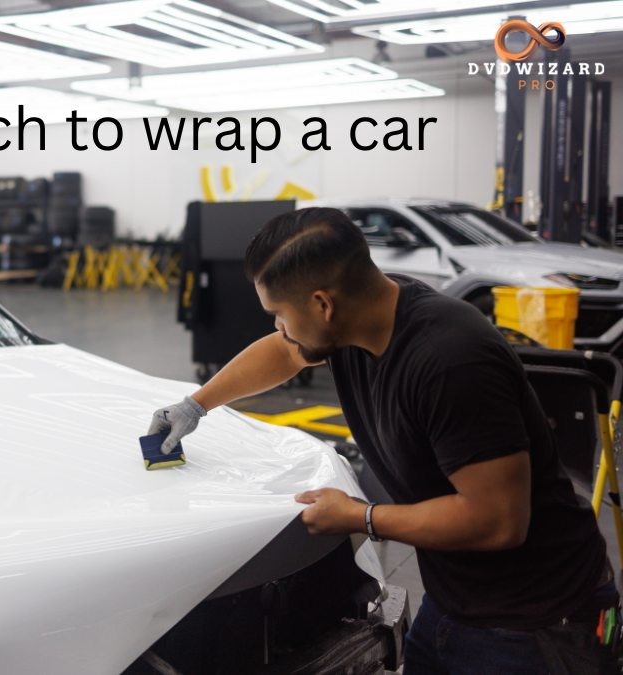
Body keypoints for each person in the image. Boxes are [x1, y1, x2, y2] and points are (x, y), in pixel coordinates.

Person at [148, 207, 619, 674]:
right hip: (456, 600)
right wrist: (196, 405)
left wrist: (360, 516)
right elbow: (286, 352)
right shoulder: (362, 313)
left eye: (279, 314)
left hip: (536, 620)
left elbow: (497, 521)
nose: (278, 328)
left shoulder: (450, 364)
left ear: (323, 305)